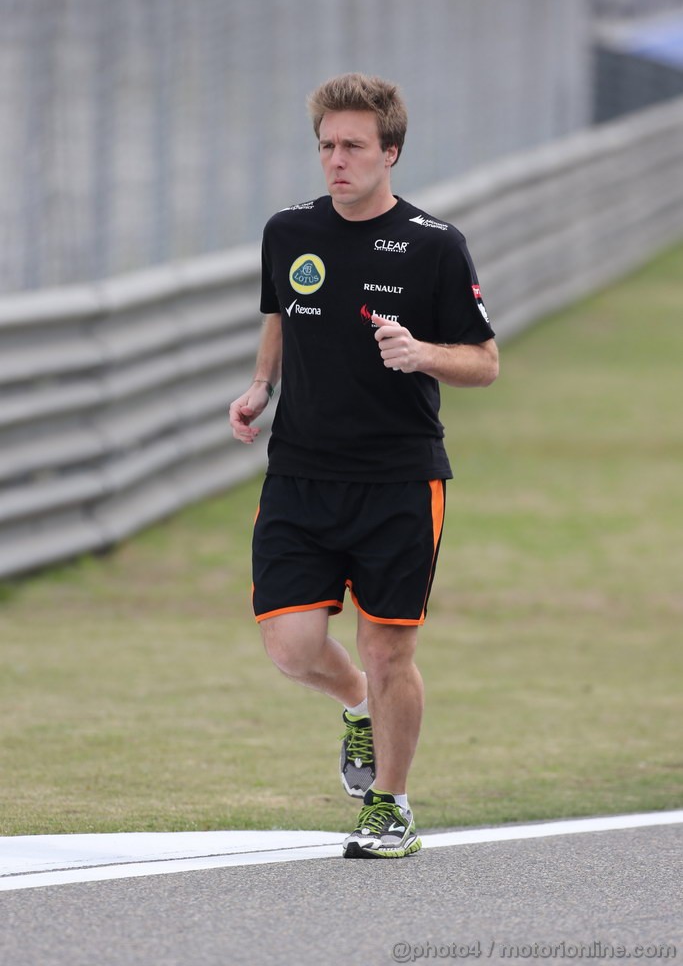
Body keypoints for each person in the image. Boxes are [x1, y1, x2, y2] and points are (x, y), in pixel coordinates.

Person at [229, 72, 498, 859]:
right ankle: (357, 708)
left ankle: (391, 804)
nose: (335, 161)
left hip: (399, 481)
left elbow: (483, 363)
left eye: (351, 147)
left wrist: (421, 353)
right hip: (299, 474)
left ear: (390, 152)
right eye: (325, 147)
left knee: (389, 649)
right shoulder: (287, 230)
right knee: (289, 646)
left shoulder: (432, 244)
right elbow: (281, 309)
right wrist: (259, 384)